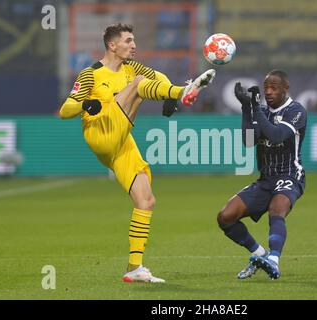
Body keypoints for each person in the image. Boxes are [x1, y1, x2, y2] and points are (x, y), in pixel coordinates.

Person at [59, 23, 215, 283]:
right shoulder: (90, 74)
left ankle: (134, 267)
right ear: (112, 45)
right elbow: (65, 110)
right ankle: (185, 91)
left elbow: (159, 77)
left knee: (146, 200)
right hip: (101, 134)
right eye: (129, 40)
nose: (134, 45)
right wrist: (86, 103)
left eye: (134, 40)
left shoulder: (132, 68)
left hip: (121, 140)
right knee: (139, 85)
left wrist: (168, 97)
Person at [217, 70, 307, 280]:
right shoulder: (261, 112)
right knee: (225, 217)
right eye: (266, 87)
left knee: (277, 209)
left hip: (290, 174)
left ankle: (274, 261)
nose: (268, 91)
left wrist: (255, 107)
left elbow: (276, 136)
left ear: (286, 88)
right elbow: (249, 141)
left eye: (274, 87)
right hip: (266, 180)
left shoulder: (296, 111)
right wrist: (246, 108)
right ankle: (260, 255)